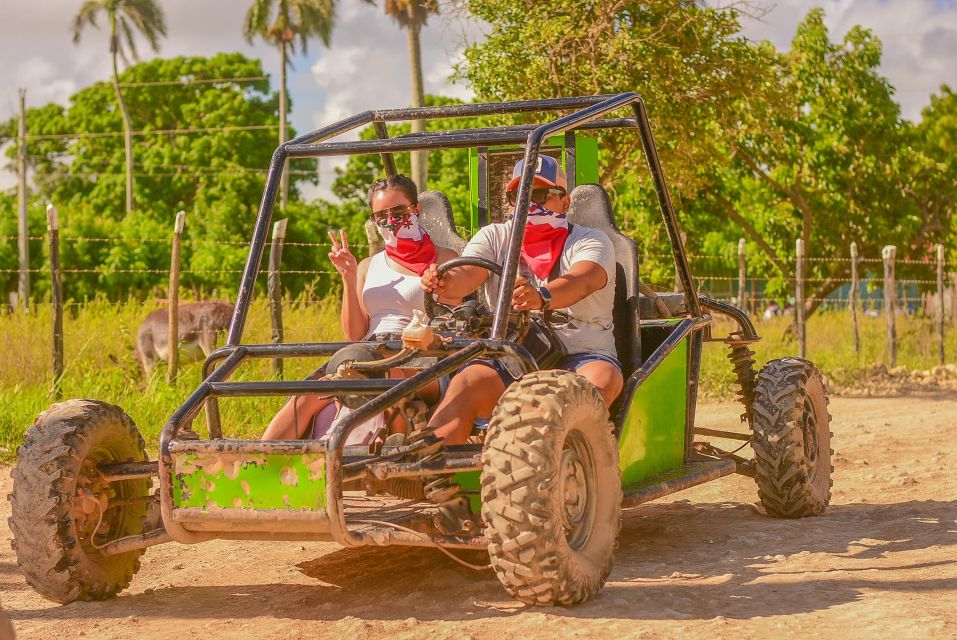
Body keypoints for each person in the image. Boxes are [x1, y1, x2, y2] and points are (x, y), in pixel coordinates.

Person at [421, 155, 623, 445]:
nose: (529, 204)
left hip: (579, 354)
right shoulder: (496, 237)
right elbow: (466, 274)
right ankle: (428, 470)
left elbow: (584, 279)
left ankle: (558, 463)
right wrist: (442, 281)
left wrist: (543, 296)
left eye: (540, 194)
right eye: (519, 195)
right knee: (467, 382)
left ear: (565, 203)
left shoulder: (590, 240)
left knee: (600, 380)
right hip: (510, 357)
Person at [262, 174, 458, 440]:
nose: (391, 221)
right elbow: (354, 335)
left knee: (381, 373)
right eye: (381, 216)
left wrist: (437, 284)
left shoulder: (444, 259)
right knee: (311, 393)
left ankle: (391, 450)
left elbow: (453, 316)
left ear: (416, 209)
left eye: (398, 211)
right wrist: (349, 276)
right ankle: (256, 461)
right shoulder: (369, 265)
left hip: (425, 358)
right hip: (368, 352)